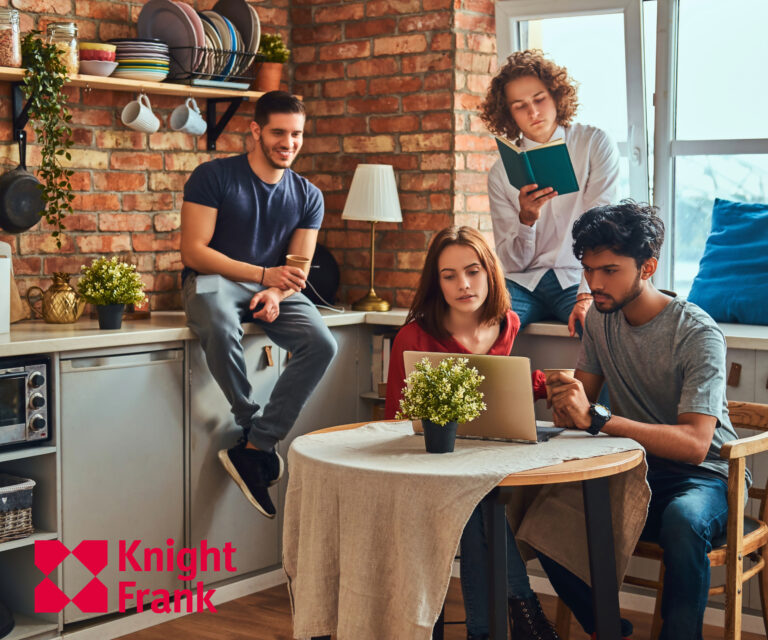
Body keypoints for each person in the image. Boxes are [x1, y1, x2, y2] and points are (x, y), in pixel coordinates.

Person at [543, 201, 746, 640]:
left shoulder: (697, 332)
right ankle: (608, 629)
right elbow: (584, 411)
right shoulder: (599, 318)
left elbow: (695, 444)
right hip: (633, 467)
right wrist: (559, 396)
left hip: (705, 477)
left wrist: (596, 417)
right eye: (589, 269)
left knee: (683, 522)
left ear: (648, 267)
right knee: (544, 515)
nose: (595, 283)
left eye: (610, 270)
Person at [384, 226, 558, 640]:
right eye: (449, 276)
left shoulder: (508, 323)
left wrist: (545, 384)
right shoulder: (413, 336)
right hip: (427, 469)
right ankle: (523, 611)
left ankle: (493, 628)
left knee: (484, 498)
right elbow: (396, 419)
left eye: (473, 271)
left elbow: (490, 387)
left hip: (484, 460)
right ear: (436, 281)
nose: (463, 284)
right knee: (483, 501)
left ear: (489, 272)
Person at [180, 91, 337, 520]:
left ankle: (257, 445)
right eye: (279, 132)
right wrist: (262, 276)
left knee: (322, 343)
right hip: (215, 281)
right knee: (216, 318)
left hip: (272, 288)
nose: (289, 142)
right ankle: (250, 421)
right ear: (255, 131)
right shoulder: (213, 177)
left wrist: (277, 292)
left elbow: (298, 267)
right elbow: (193, 252)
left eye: (297, 134)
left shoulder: (308, 195)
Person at [480, 49, 620, 336]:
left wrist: (587, 295)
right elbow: (512, 262)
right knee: (482, 328)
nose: (532, 112)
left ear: (556, 95)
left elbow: (603, 230)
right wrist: (527, 219)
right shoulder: (500, 173)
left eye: (539, 99)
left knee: (599, 330)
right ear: (508, 113)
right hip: (521, 283)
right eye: (519, 105)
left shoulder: (593, 144)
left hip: (575, 278)